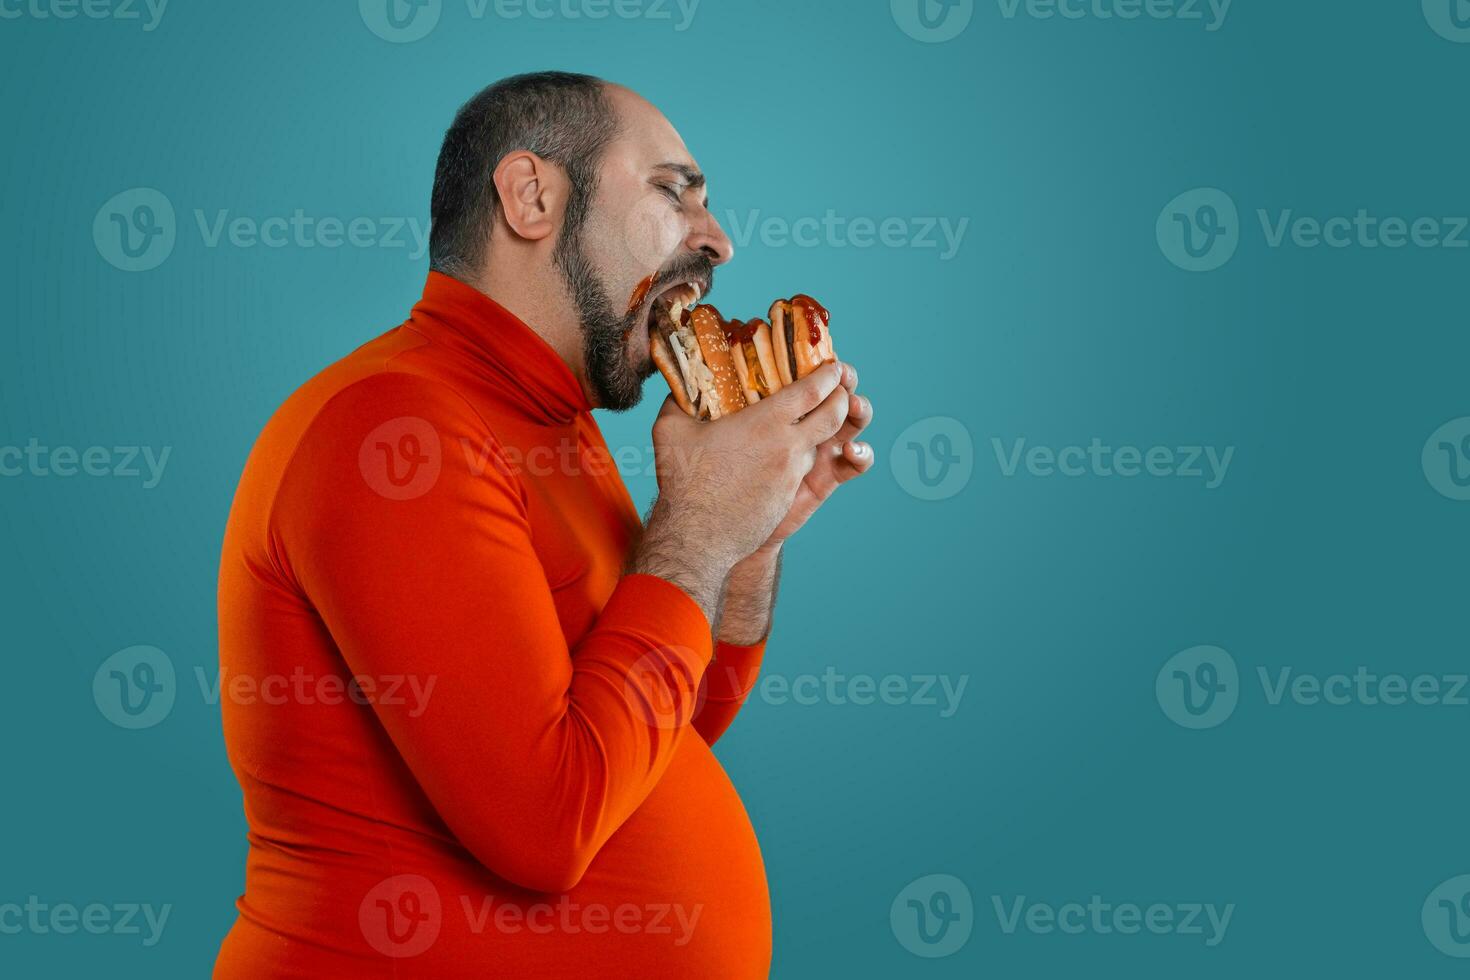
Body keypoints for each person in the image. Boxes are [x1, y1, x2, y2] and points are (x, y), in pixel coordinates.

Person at [213, 71, 874, 978]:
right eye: (673, 193)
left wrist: (751, 537)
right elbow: (544, 826)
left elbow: (666, 730)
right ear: (532, 198)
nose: (718, 240)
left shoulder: (555, 425)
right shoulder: (394, 434)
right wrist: (694, 532)